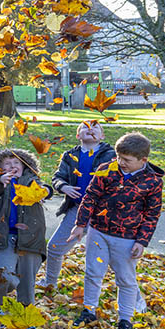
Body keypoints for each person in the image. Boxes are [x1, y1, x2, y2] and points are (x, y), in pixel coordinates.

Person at [69, 132, 163, 329]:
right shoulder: (107, 170)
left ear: (143, 160)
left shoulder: (152, 181)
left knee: (126, 280)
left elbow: (152, 214)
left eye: (127, 160)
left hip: (127, 238)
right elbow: (90, 197)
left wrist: (142, 241)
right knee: (93, 272)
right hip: (99, 232)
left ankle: (125, 320)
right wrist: (80, 225)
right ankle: (88, 310)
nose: (121, 163)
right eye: (119, 157)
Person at [0, 148, 52, 329]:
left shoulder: (32, 182)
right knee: (4, 276)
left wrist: (46, 190)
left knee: (27, 283)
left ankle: (26, 321)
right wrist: (0, 181)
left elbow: (46, 189)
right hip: (4, 236)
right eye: (7, 164)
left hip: (30, 238)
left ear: (25, 166)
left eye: (16, 163)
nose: (12, 167)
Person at [39, 120, 115, 288]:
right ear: (78, 135)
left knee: (114, 257)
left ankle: (131, 295)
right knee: (54, 247)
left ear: (102, 135)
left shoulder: (111, 155)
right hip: (78, 210)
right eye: (85, 127)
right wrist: (63, 186)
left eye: (95, 126)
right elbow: (57, 177)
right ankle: (49, 282)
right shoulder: (69, 155)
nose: (90, 128)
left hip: (106, 214)